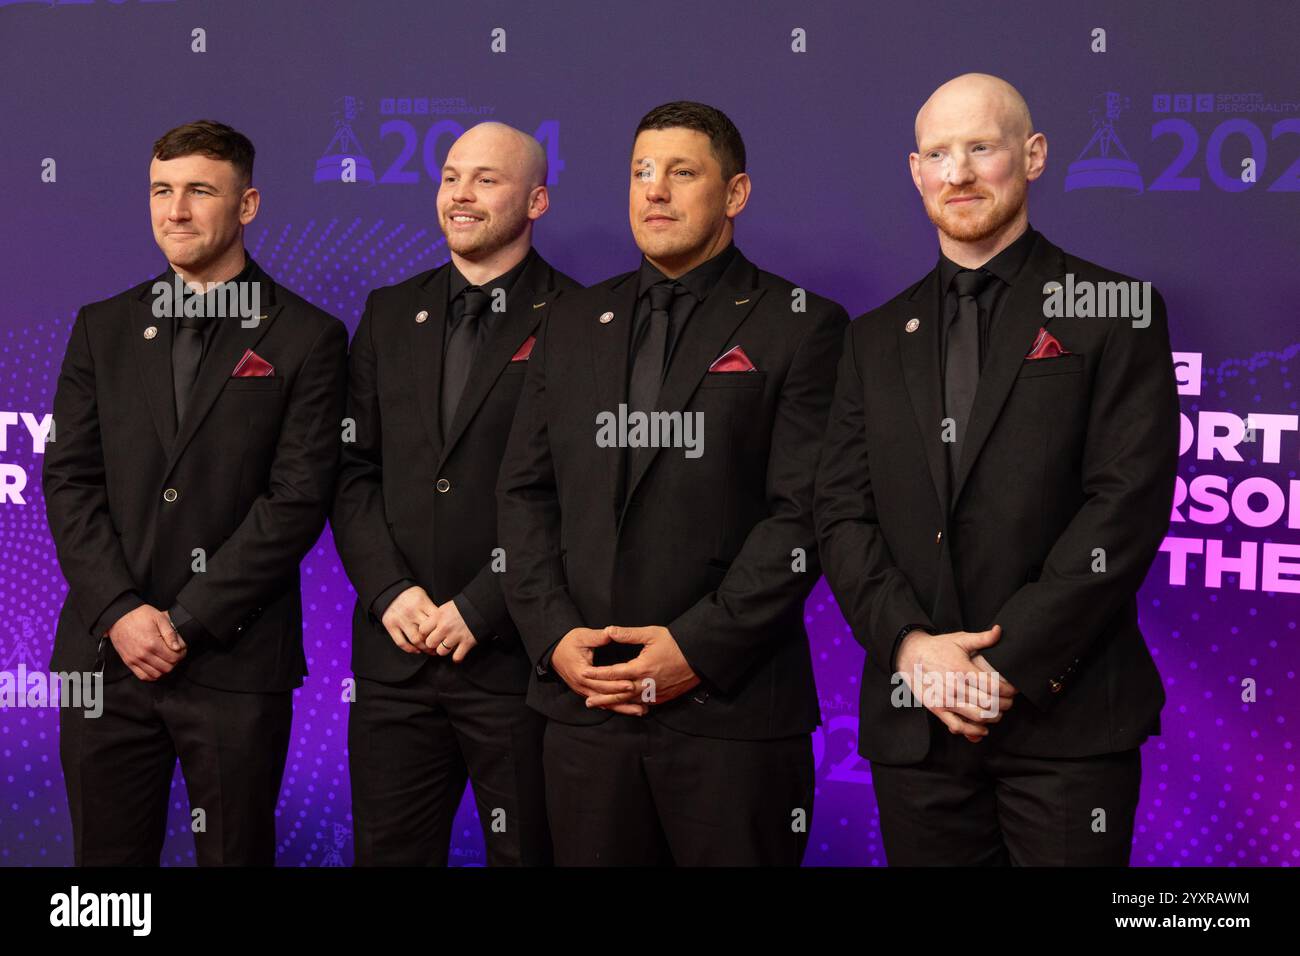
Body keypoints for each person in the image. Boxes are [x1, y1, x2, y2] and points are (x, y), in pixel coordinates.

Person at [815, 73, 1179, 865]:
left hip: (1068, 721)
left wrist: (1005, 666)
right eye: (939, 154)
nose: (959, 174)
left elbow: (1126, 506)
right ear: (916, 172)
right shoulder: (873, 339)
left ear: (1034, 155)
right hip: (918, 727)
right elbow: (840, 512)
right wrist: (912, 649)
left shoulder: (1116, 310)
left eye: (981, 148)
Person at [497, 101, 847, 865]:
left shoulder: (803, 325)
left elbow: (803, 517)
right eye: (641, 173)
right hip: (583, 708)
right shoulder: (568, 321)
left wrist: (694, 648)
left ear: (736, 193)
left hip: (731, 716)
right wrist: (554, 637)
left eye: (681, 172)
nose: (654, 191)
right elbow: (525, 495)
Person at [44, 119, 348, 865]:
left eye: (198, 192)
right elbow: (69, 479)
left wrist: (184, 621)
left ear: (247, 205)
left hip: (234, 659)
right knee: (106, 886)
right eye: (161, 190)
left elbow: (297, 500)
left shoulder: (307, 337)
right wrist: (120, 613)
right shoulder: (103, 328)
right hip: (104, 660)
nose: (174, 211)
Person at [333, 122, 579, 865]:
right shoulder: (386, 313)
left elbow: (580, 494)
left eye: (486, 180)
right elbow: (351, 472)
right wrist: (388, 591)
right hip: (395, 661)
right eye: (449, 177)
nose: (460, 196)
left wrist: (482, 603)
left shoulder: (583, 320)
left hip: (519, 661)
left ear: (536, 199)